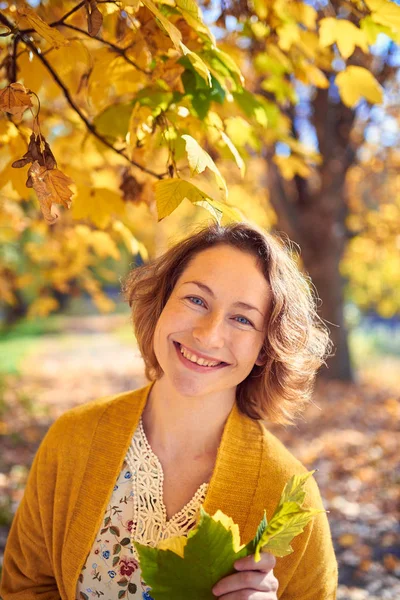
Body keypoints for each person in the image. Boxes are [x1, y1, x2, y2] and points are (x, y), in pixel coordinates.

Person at [1, 221, 338, 600]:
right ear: (162, 302)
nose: (208, 335)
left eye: (242, 319)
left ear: (265, 349)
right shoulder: (72, 438)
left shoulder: (289, 497)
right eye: (196, 300)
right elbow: (25, 587)